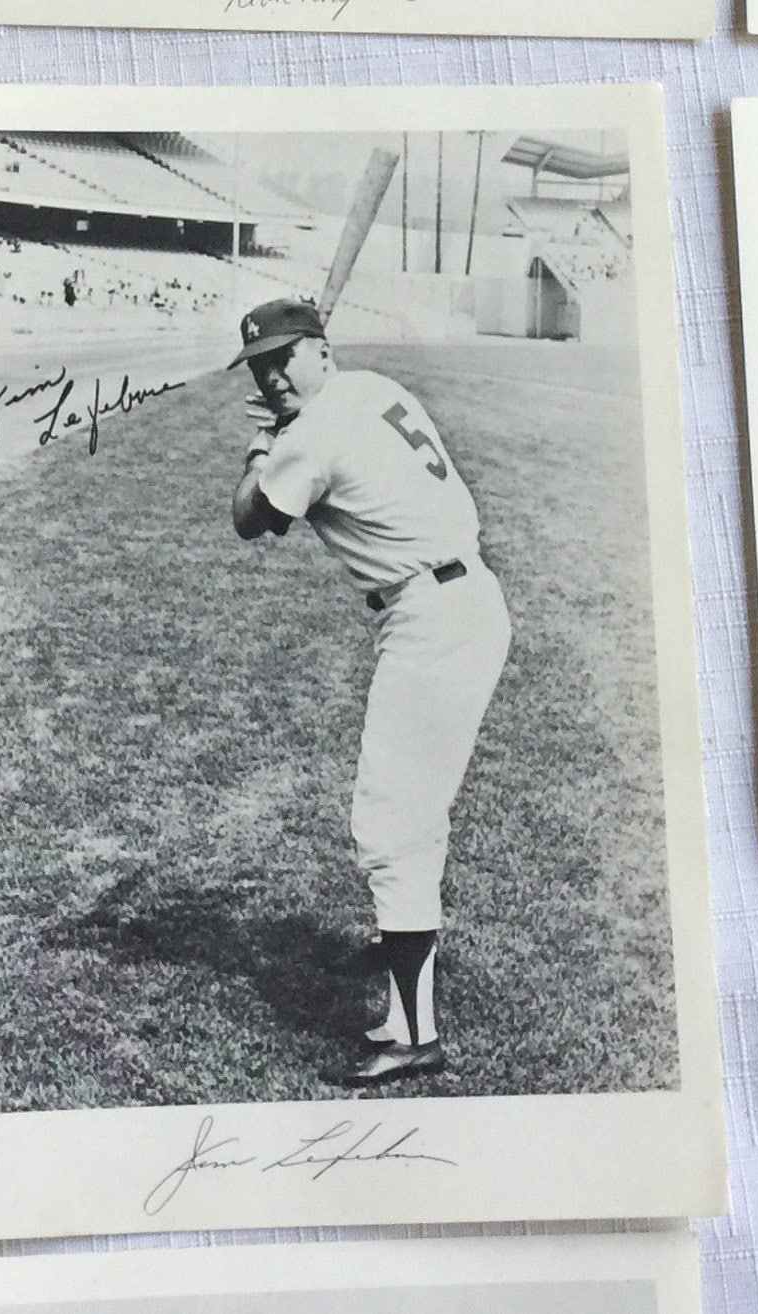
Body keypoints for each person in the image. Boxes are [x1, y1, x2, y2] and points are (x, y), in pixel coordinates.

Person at [229, 297, 511, 1087]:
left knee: (388, 822)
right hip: (465, 601)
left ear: (321, 350)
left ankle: (412, 1033)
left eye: (286, 356)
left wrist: (262, 442)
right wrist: (288, 427)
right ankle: (402, 946)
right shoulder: (376, 388)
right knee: (410, 816)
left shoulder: (309, 433)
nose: (274, 373)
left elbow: (250, 519)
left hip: (431, 618)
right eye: (260, 364)